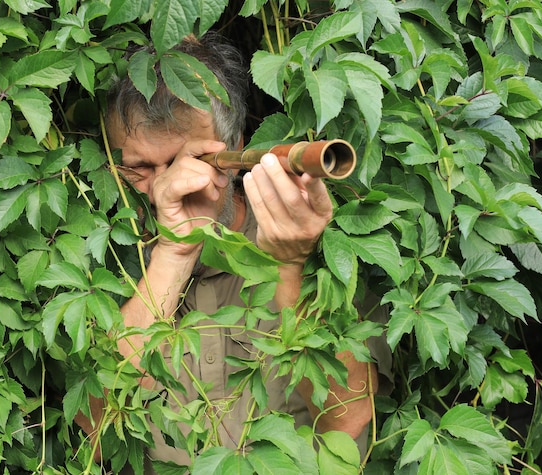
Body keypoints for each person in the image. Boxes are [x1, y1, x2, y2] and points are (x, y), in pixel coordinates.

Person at [87, 32, 392, 472]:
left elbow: (348, 421)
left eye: (182, 162)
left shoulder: (320, 242)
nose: (163, 189)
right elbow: (98, 433)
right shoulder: (103, 259)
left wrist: (287, 266)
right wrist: (173, 254)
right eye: (138, 168)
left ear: (233, 149)